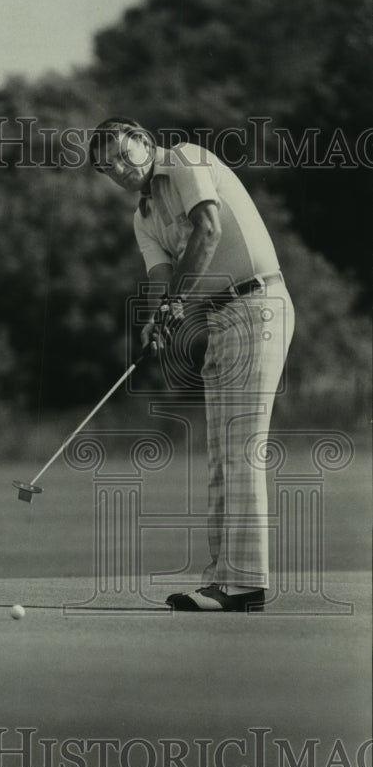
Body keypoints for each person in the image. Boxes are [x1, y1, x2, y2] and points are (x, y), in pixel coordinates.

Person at [88, 117, 294, 611]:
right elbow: (162, 281)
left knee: (242, 445)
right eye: (106, 167)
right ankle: (224, 582)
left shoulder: (184, 158)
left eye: (122, 153)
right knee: (222, 452)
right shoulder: (144, 218)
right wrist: (156, 321)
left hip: (258, 304)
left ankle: (245, 585)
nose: (118, 168)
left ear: (143, 140)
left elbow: (208, 228)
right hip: (220, 320)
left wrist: (171, 307)